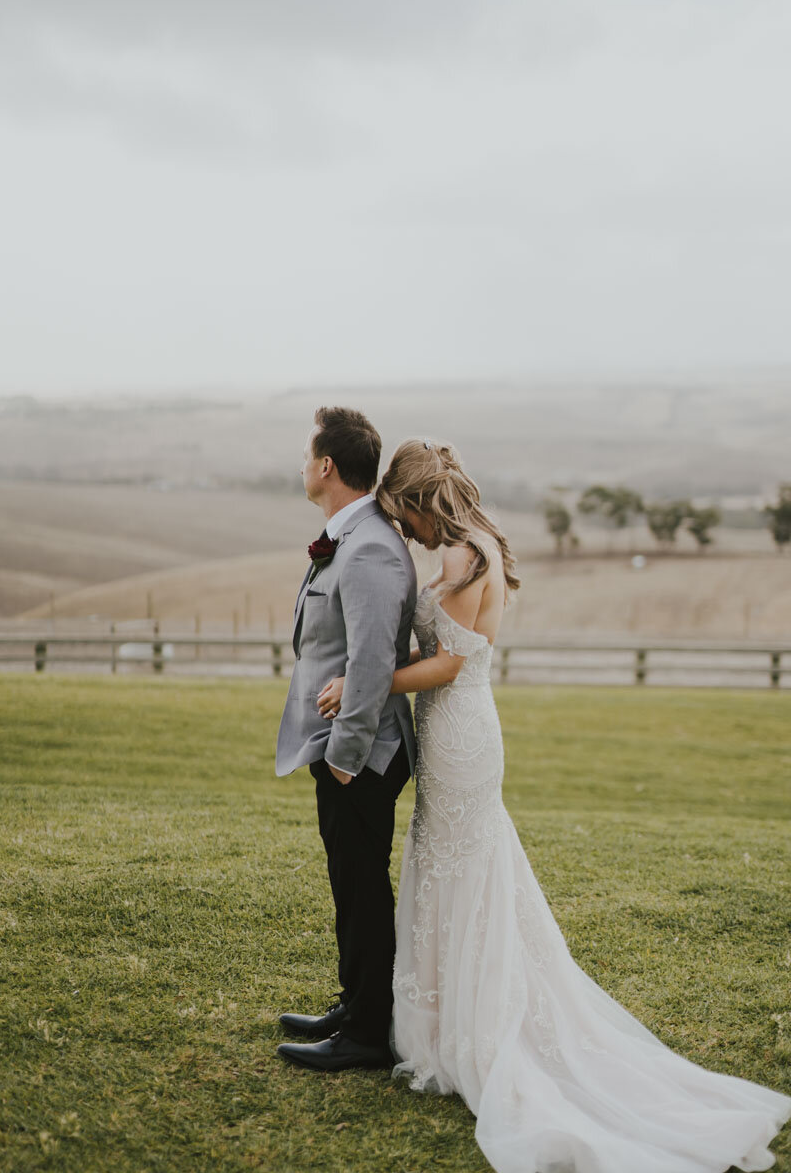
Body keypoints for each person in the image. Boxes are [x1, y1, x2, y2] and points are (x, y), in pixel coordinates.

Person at [315, 438, 791, 1173]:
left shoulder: (463, 556)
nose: (406, 532)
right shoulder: (476, 543)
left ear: (419, 501)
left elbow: (449, 661)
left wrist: (365, 683)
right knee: (451, 866)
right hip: (456, 729)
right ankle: (440, 1022)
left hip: (461, 729)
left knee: (463, 868)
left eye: (406, 516)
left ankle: (472, 1029)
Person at [275, 407, 417, 1072]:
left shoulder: (368, 548)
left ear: (326, 465)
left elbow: (371, 664)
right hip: (340, 747)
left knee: (362, 889)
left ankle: (366, 1034)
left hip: (358, 754)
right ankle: (354, 1001)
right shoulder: (351, 536)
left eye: (308, 454)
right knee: (349, 881)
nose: (303, 465)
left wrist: (344, 762)